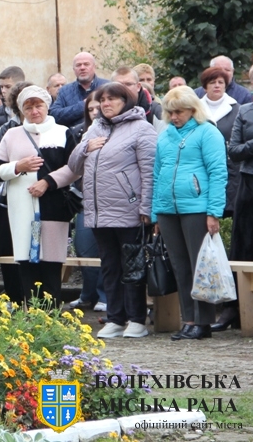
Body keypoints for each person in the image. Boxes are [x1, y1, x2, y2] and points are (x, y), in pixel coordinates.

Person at [68, 83, 157, 339]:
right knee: (110, 266)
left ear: (126, 101)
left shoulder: (142, 129)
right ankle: (116, 318)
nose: (105, 104)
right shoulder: (95, 128)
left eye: (111, 99)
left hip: (129, 211)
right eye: (102, 100)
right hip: (98, 212)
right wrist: (86, 147)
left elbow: (150, 172)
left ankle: (137, 320)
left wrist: (146, 208)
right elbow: (74, 164)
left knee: (132, 267)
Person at [0, 86, 79, 304]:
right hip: (22, 211)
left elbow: (75, 168)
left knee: (51, 267)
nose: (34, 110)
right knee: (27, 266)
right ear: (21, 110)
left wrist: (47, 182)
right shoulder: (11, 135)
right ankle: (33, 322)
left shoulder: (62, 132)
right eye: (28, 107)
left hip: (53, 208)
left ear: (47, 106)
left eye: (38, 105)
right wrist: (18, 166)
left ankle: (51, 319)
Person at [152, 86, 227, 341]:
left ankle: (204, 322)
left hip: (197, 208)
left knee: (200, 267)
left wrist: (214, 212)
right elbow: (157, 174)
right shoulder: (164, 135)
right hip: (167, 209)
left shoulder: (208, 132)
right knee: (180, 267)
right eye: (170, 112)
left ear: (193, 109)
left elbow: (218, 173)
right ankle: (189, 320)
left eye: (179, 112)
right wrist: (156, 213)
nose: (174, 117)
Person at [223, 61, 253, 331]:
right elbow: (235, 150)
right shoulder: (246, 111)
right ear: (251, 83)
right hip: (250, 184)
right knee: (245, 245)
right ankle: (237, 311)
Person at [0, 81, 33, 304]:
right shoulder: (8, 130)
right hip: (10, 204)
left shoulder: (55, 131)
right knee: (9, 254)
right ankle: (16, 300)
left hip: (39, 207)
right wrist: (17, 166)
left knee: (36, 255)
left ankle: (37, 302)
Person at [67, 90, 107, 313]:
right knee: (83, 247)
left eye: (97, 108)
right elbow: (72, 165)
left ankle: (103, 294)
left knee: (105, 251)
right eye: (90, 109)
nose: (94, 112)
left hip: (109, 202)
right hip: (84, 199)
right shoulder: (79, 133)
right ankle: (88, 293)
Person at [198, 66, 240, 219]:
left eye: (221, 82)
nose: (217, 85)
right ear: (204, 87)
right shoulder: (194, 110)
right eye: (212, 82)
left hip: (230, 168)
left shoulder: (237, 109)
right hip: (201, 166)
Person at [50, 52, 109, 127]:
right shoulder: (64, 91)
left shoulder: (108, 86)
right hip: (74, 137)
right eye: (78, 65)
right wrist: (83, 105)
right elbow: (55, 115)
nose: (82, 68)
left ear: (94, 67)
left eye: (86, 64)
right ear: (74, 69)